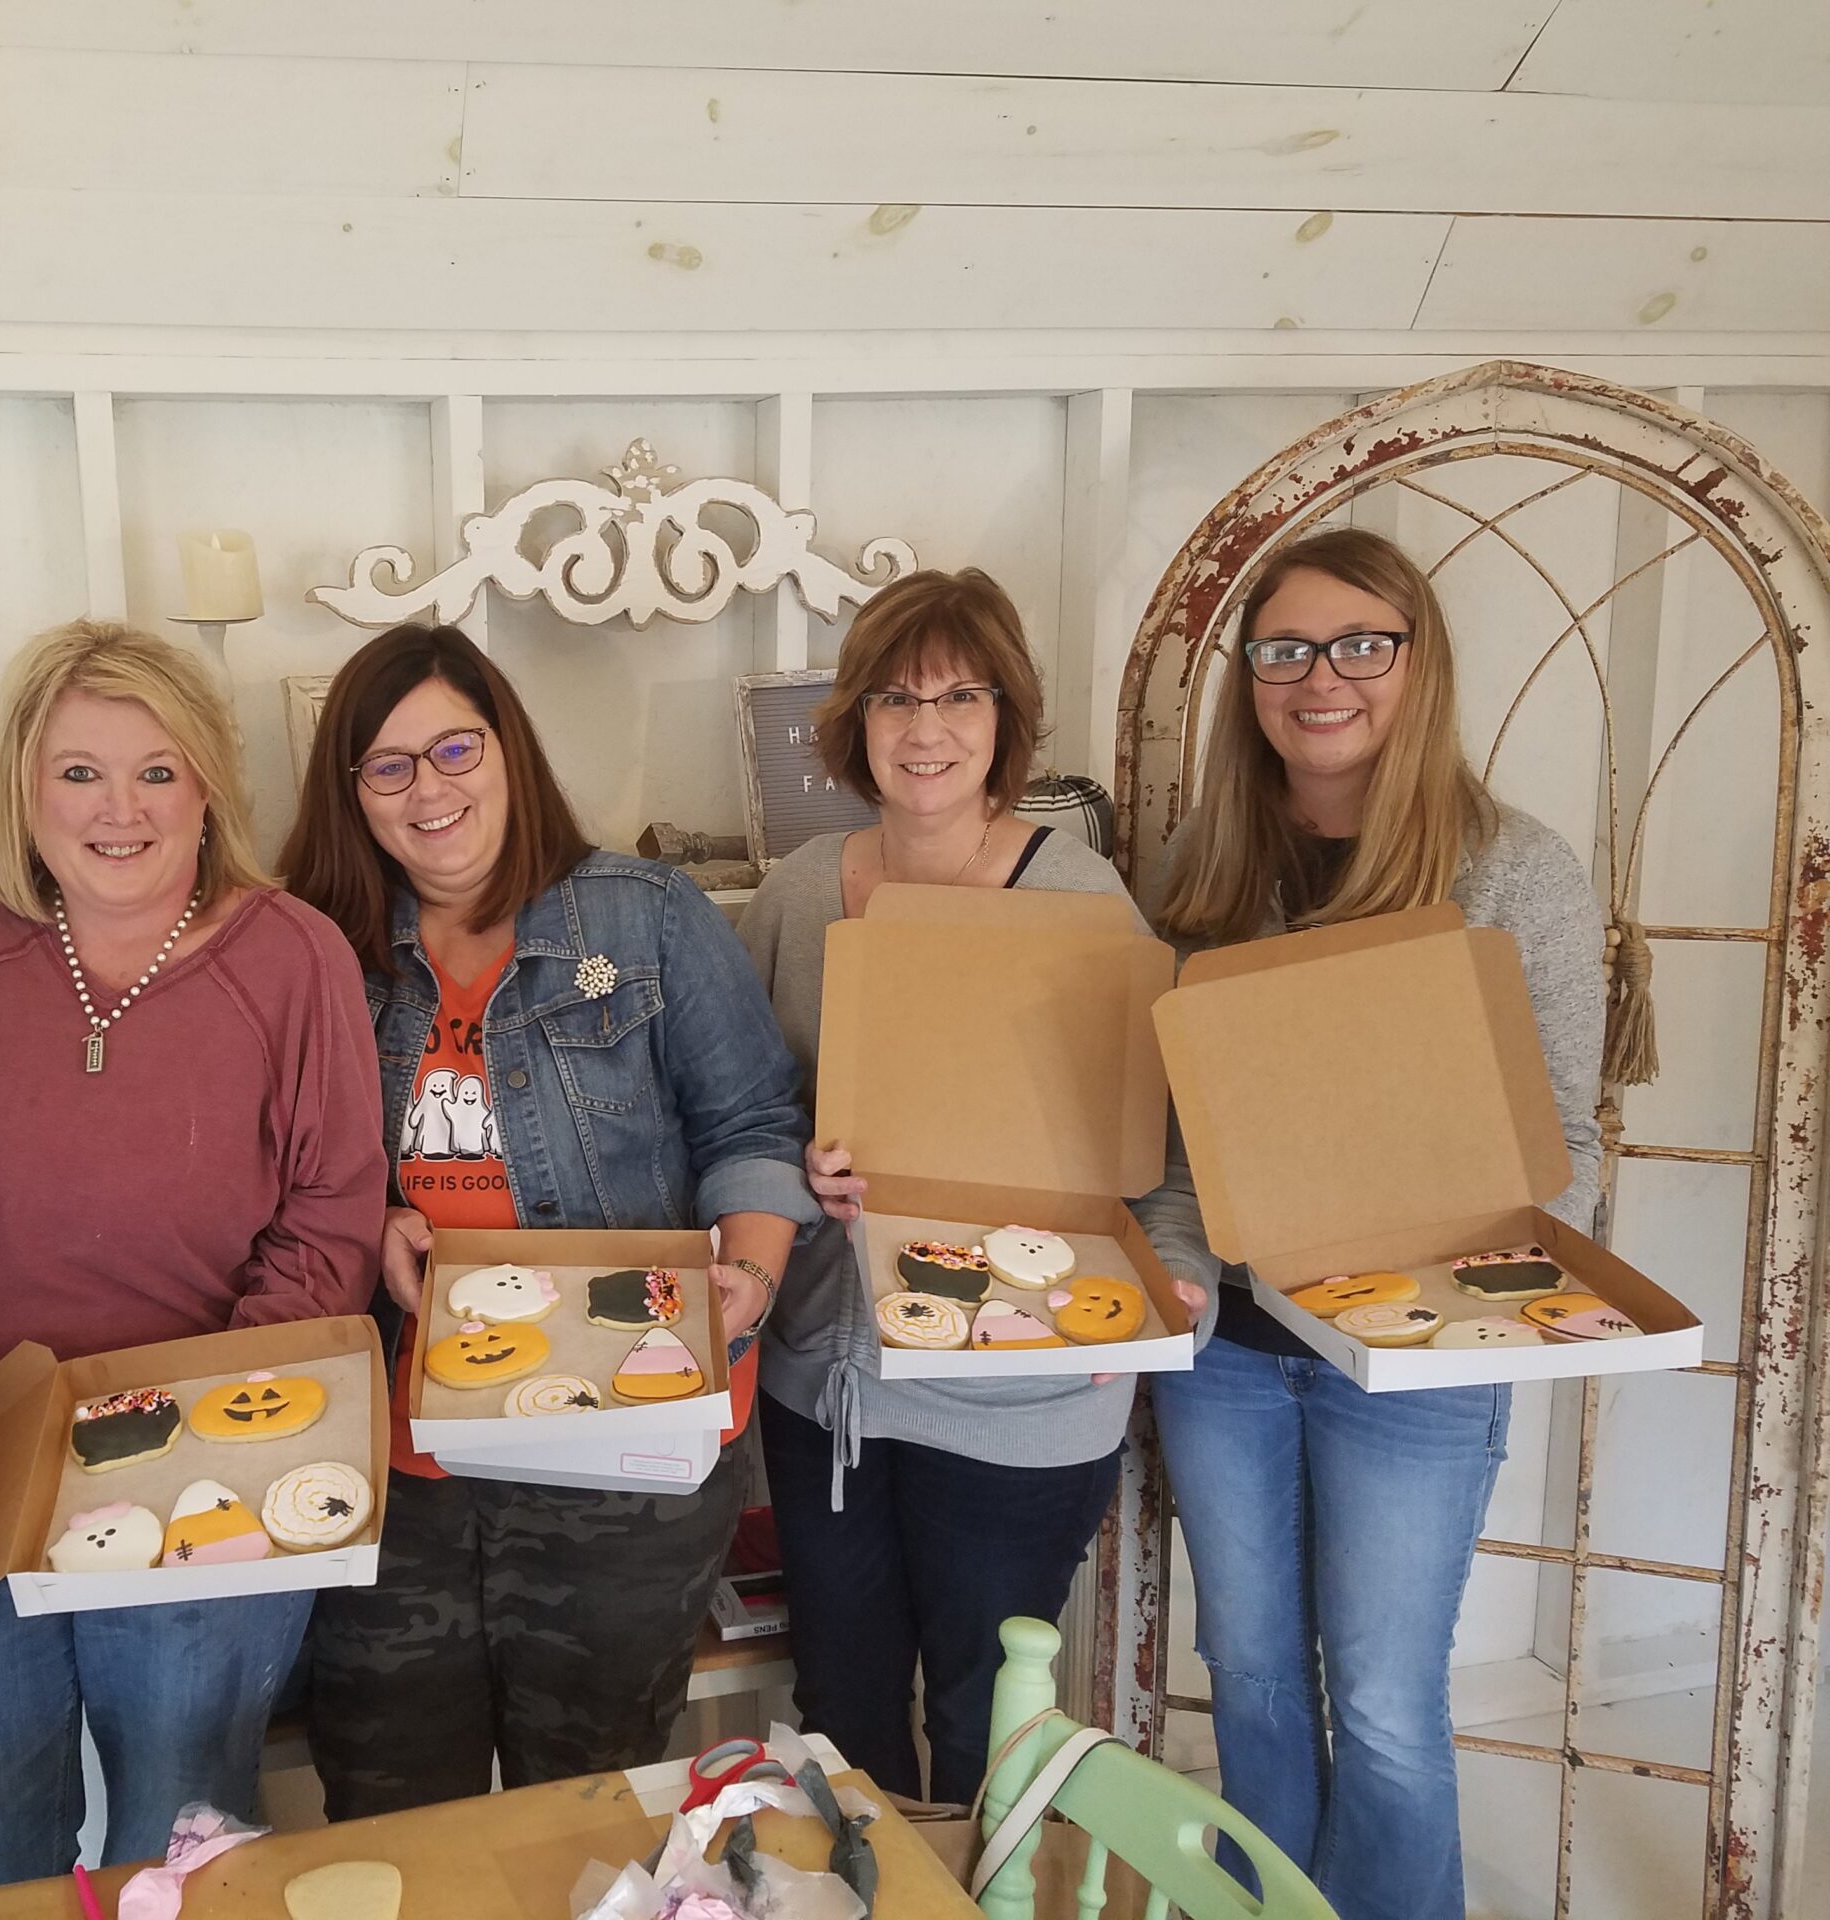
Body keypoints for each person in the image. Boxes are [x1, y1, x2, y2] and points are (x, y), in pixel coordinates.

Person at [1145, 527, 1605, 1920]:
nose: (1321, 677)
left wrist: (1436, 1247)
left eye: (1362, 644)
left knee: (1393, 1706)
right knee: (1259, 1687)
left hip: (1413, 1359)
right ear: (1252, 680)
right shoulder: (1204, 864)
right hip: (1227, 1351)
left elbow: (1565, 1146)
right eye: (1286, 649)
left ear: (1420, 664)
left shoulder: (1515, 874)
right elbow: (1168, 1143)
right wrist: (1167, 1280)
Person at [280, 622, 815, 1815]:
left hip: (622, 1460)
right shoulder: (316, 953)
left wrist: (754, 1276)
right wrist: (365, 1217)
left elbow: (751, 1125)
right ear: (352, 794)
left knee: (586, 1808)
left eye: (455, 748)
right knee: (393, 1809)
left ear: (508, 750)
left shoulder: (643, 918)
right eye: (389, 765)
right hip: (394, 1470)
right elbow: (272, 1168)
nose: (431, 788)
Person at [0, 619, 384, 1888]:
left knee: (179, 1841)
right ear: (21, 786)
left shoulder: (293, 958)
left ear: (208, 784)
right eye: (79, 772)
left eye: (157, 771)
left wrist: (188, 1426)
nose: (121, 809)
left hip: (207, 1473)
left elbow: (331, 1212)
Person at [737, 567, 1210, 1806]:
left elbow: (1151, 1143)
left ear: (1006, 719)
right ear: (856, 721)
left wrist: (1172, 1283)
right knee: (837, 1706)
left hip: (1018, 1388)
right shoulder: (796, 893)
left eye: (959, 694)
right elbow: (738, 1115)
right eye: (895, 696)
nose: (925, 727)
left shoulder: (1077, 896)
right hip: (827, 1380)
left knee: (984, 1708)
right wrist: (796, 1164)